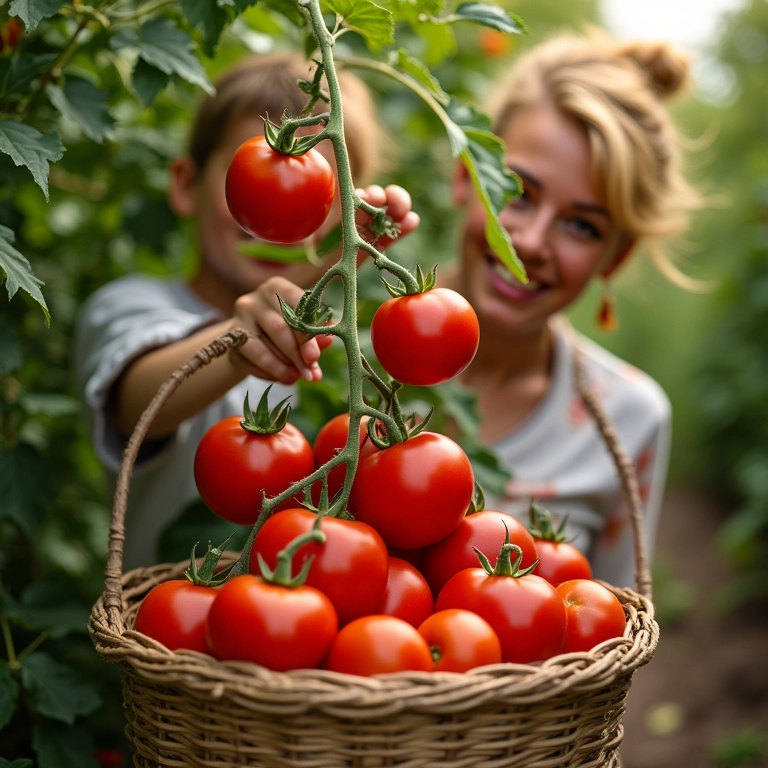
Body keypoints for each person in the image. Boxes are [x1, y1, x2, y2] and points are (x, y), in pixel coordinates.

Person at [215, 28, 705, 591]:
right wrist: (273, 315)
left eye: (582, 225)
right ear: (463, 175)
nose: (532, 240)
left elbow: (610, 632)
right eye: (517, 191)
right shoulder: (332, 340)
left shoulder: (628, 418)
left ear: (615, 256)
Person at [74, 51, 419, 569]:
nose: (277, 207)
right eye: (257, 168)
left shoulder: (352, 348)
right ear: (186, 182)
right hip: (175, 625)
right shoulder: (130, 305)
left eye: (314, 187)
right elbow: (137, 401)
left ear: (344, 213)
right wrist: (235, 343)